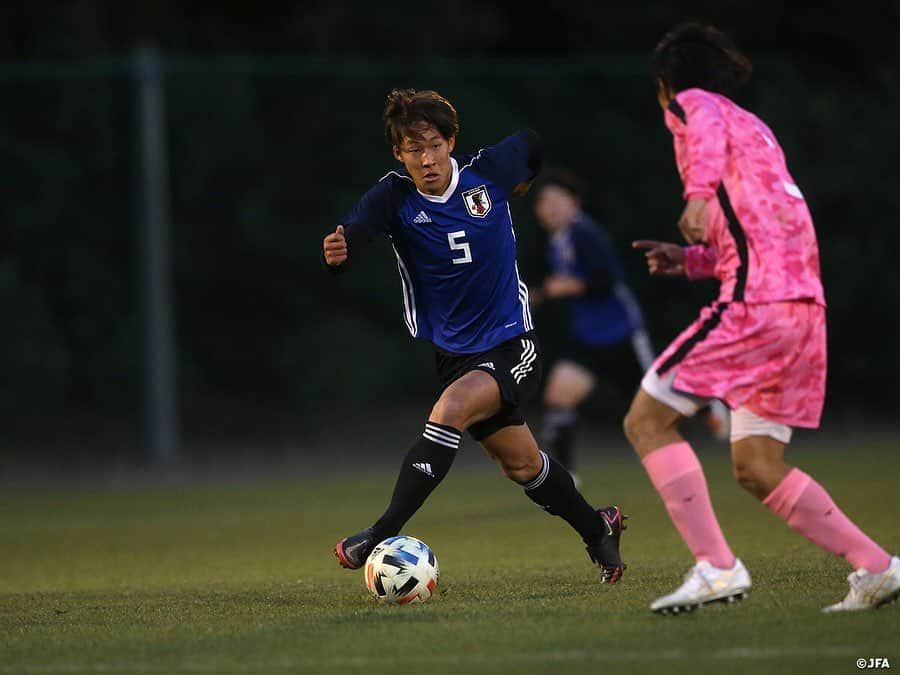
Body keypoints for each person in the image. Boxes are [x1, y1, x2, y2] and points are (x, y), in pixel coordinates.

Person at [623, 22, 898, 613]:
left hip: (757, 306)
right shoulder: (758, 132)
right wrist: (695, 261)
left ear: (666, 87)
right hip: (803, 312)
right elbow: (757, 229)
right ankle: (877, 567)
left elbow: (706, 130)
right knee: (757, 465)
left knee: (646, 421)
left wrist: (695, 197)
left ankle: (717, 567)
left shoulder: (700, 110)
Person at [322, 88, 627, 584]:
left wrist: (525, 179)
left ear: (451, 142)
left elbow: (530, 142)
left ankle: (380, 532)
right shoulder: (394, 195)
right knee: (524, 466)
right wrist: (338, 253)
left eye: (434, 145)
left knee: (450, 410)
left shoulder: (487, 172)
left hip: (511, 343)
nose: (426, 159)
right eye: (413, 149)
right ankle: (599, 527)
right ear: (398, 154)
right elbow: (355, 232)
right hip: (453, 355)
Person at [531, 169, 729, 483]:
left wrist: (567, 287)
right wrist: (541, 294)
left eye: (558, 200)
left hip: (621, 334)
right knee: (559, 396)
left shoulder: (585, 233)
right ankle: (565, 478)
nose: (550, 208)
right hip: (588, 339)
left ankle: (704, 403)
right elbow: (563, 284)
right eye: (544, 202)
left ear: (575, 204)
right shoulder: (558, 240)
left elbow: (607, 278)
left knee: (655, 397)